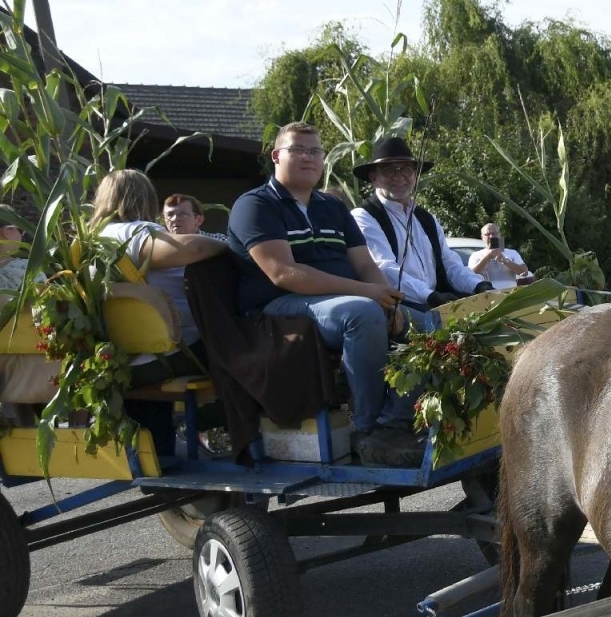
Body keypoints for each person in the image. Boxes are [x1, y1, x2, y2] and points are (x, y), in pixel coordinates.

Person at [228, 121, 420, 467]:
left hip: (336, 299)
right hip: (276, 309)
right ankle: (366, 431)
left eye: (315, 151)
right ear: (276, 156)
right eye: (298, 150)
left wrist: (388, 296)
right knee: (361, 313)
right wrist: (368, 294)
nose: (309, 157)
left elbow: (364, 265)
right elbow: (283, 273)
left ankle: (395, 422)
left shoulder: (332, 208)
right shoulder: (255, 205)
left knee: (428, 322)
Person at [90, 170, 230, 455]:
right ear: (145, 199)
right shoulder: (132, 232)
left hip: (126, 361)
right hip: (173, 355)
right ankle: (244, 432)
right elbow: (195, 248)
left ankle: (160, 454)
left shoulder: (91, 240)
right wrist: (234, 246)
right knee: (255, 345)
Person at [351, 136, 491, 327]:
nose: (399, 176)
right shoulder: (363, 216)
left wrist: (478, 285)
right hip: (399, 307)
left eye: (406, 169)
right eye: (389, 170)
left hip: (436, 305)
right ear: (373, 177)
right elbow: (385, 269)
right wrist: (430, 296)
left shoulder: (426, 218)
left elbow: (450, 264)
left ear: (415, 174)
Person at [469, 222, 533, 289]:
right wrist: (487, 258)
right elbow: (471, 275)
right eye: (487, 234)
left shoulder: (512, 253)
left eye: (494, 233)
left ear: (499, 235)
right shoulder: (476, 255)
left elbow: (524, 272)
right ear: (482, 237)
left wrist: (506, 261)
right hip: (487, 295)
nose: (491, 236)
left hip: (509, 293)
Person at [162, 193, 226, 240]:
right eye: (170, 215)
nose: (175, 218)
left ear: (199, 220)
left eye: (183, 214)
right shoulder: (158, 245)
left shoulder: (220, 241)